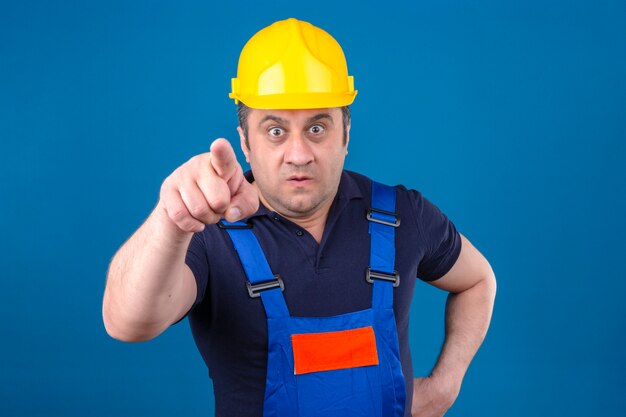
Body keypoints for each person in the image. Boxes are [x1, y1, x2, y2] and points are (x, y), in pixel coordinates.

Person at [103, 18, 496, 417]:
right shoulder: (206, 234)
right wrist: (172, 221)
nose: (299, 154)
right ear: (245, 142)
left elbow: (479, 280)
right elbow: (127, 323)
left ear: (345, 133)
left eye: (317, 127)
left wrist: (446, 385)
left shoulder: (401, 215)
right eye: (275, 131)